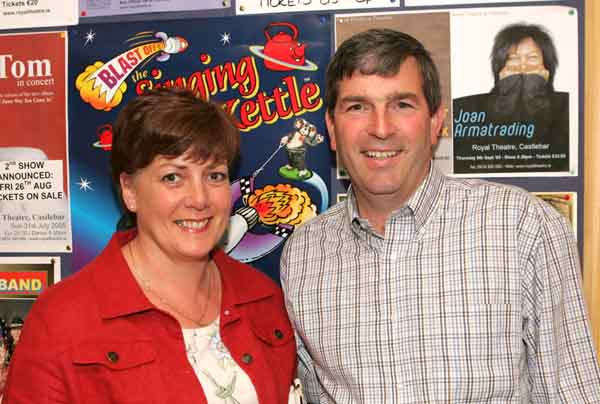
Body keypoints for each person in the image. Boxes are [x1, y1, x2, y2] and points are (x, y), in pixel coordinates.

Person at [280, 28, 600, 403]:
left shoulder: (521, 225)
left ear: (436, 122)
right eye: (357, 106)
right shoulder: (303, 253)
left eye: (402, 104)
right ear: (332, 130)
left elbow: (573, 393)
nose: (380, 129)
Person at [3, 88, 298, 403]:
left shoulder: (263, 299)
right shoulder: (62, 319)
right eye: (173, 178)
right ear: (129, 190)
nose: (199, 199)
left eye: (214, 176)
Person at [452, 23, 569, 173]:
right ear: (500, 65)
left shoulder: (567, 106)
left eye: (532, 58)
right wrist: (506, 95)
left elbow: (554, 157)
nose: (523, 66)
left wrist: (535, 94)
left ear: (547, 64)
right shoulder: (467, 107)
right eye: (513, 58)